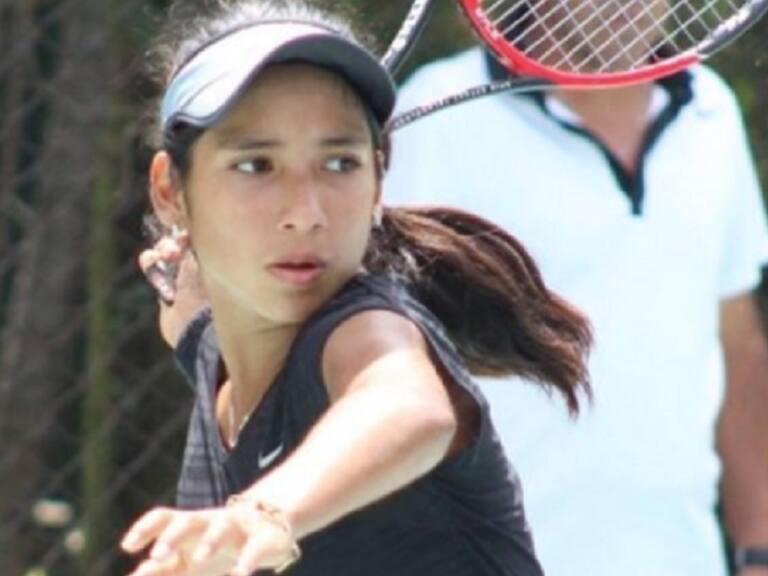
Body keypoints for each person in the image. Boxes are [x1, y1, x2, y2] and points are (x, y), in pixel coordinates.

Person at [119, 2, 593, 575]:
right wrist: (191, 311)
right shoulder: (213, 351)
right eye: (256, 166)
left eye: (339, 163)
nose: (306, 212)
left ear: (377, 183)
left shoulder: (370, 330)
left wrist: (264, 516)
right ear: (170, 191)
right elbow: (193, 323)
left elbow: (407, 404)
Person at [384, 8, 768, 576]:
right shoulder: (438, 108)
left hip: (682, 559)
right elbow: (380, 355)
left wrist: (757, 549)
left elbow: (738, 350)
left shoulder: (711, 111)